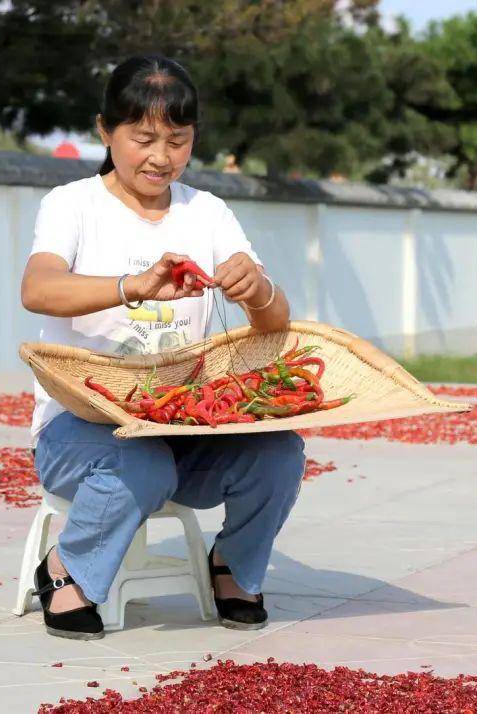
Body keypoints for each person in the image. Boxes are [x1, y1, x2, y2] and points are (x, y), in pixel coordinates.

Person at [20, 55, 306, 640]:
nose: (161, 157)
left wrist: (258, 287)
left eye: (177, 140)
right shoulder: (72, 205)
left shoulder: (208, 212)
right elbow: (38, 289)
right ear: (106, 131)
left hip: (183, 425)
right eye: (143, 138)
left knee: (278, 453)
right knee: (140, 462)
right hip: (80, 427)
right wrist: (133, 287)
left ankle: (233, 566)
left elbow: (276, 319)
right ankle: (65, 568)